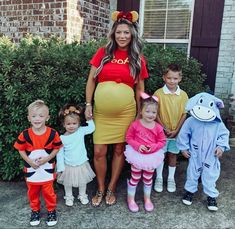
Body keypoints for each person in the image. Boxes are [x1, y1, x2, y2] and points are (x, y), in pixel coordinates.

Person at [85, 10, 149, 207]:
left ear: (132, 35)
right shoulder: (102, 53)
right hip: (102, 114)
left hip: (126, 113)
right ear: (113, 34)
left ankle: (111, 187)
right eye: (119, 32)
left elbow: (140, 89)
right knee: (99, 152)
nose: (122, 36)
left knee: (120, 149)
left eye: (126, 33)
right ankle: (101, 187)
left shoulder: (138, 58)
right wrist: (88, 105)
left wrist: (140, 114)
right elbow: (90, 81)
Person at [176, 92, 230, 211]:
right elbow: (184, 134)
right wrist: (183, 148)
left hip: (211, 154)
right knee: (192, 172)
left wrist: (221, 147)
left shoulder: (218, 124)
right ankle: (189, 191)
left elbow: (224, 134)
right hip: (195, 154)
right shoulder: (191, 121)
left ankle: (211, 196)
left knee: (210, 174)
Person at [14, 100, 63, 227]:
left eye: (41, 116)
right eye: (34, 116)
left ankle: (51, 211)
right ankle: (35, 210)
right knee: (32, 192)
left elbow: (57, 148)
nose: (37, 119)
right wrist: (30, 162)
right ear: (29, 118)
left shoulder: (53, 133)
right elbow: (20, 149)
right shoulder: (25, 135)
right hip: (32, 170)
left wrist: (47, 159)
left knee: (49, 192)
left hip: (47, 169)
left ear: (47, 118)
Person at [124, 92, 166, 212]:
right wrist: (138, 146)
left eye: (154, 112)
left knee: (148, 178)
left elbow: (162, 141)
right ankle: (131, 199)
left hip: (151, 157)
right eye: (147, 111)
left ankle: (147, 199)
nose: (151, 114)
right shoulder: (135, 125)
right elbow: (129, 138)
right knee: (135, 177)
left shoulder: (158, 127)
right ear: (141, 111)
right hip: (137, 156)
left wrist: (153, 147)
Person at [153, 64, 188, 193]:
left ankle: (171, 179)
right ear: (164, 78)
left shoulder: (183, 95)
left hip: (176, 133)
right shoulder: (158, 93)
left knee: (173, 155)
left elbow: (184, 114)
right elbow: (154, 112)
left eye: (175, 78)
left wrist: (177, 130)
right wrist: (163, 127)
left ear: (180, 79)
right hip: (161, 132)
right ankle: (159, 178)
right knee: (160, 155)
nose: (172, 81)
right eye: (169, 78)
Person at [56, 104, 96, 207]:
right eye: (68, 124)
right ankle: (68, 196)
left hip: (81, 163)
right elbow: (59, 154)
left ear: (78, 124)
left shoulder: (80, 131)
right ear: (64, 125)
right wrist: (60, 167)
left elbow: (91, 129)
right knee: (67, 183)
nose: (71, 126)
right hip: (68, 165)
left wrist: (89, 120)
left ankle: (82, 195)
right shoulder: (62, 138)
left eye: (74, 123)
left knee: (82, 181)